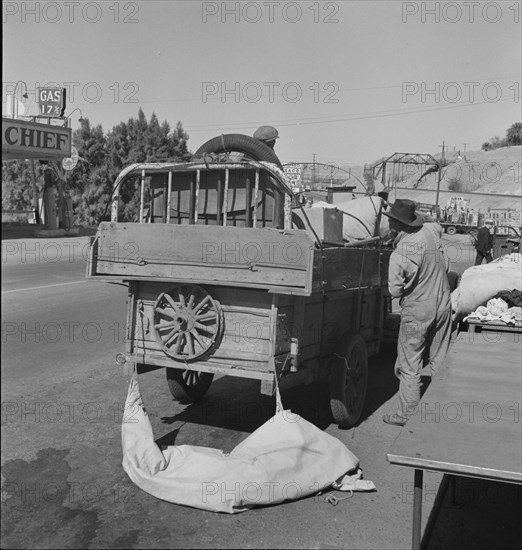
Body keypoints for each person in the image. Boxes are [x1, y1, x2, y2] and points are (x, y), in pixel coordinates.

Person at [382, 199, 452, 426]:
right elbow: (447, 266)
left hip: (419, 309)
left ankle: (406, 415)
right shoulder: (429, 236)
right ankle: (441, 408)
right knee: (440, 360)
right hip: (443, 304)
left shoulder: (401, 252)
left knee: (410, 365)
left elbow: (394, 290)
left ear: (395, 224)